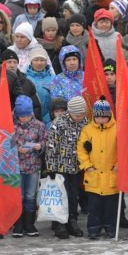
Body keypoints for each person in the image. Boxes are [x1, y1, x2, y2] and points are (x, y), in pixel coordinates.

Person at [45, 95, 87, 239]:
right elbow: (51, 146)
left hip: (76, 167)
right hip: (60, 166)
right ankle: (59, 223)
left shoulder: (85, 122)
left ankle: (72, 221)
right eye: (76, 115)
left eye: (81, 114)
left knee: (73, 195)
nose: (79, 117)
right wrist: (50, 167)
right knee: (61, 195)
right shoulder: (59, 123)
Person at [77, 99, 118, 239]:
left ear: (109, 115)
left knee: (110, 207)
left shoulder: (117, 128)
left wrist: (119, 164)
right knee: (94, 207)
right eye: (98, 117)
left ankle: (110, 227)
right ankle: (93, 228)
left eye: (104, 117)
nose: (101, 120)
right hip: (93, 175)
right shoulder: (87, 130)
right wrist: (87, 166)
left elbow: (123, 149)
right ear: (94, 116)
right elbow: (81, 150)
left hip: (111, 174)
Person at [12, 95, 47, 238]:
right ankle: (18, 224)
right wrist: (15, 149)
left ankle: (29, 224)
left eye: (27, 115)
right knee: (18, 196)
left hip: (33, 167)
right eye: (21, 116)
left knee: (31, 196)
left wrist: (39, 146)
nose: (24, 119)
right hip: (16, 167)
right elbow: (4, 143)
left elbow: (45, 141)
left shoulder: (39, 125)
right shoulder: (11, 125)